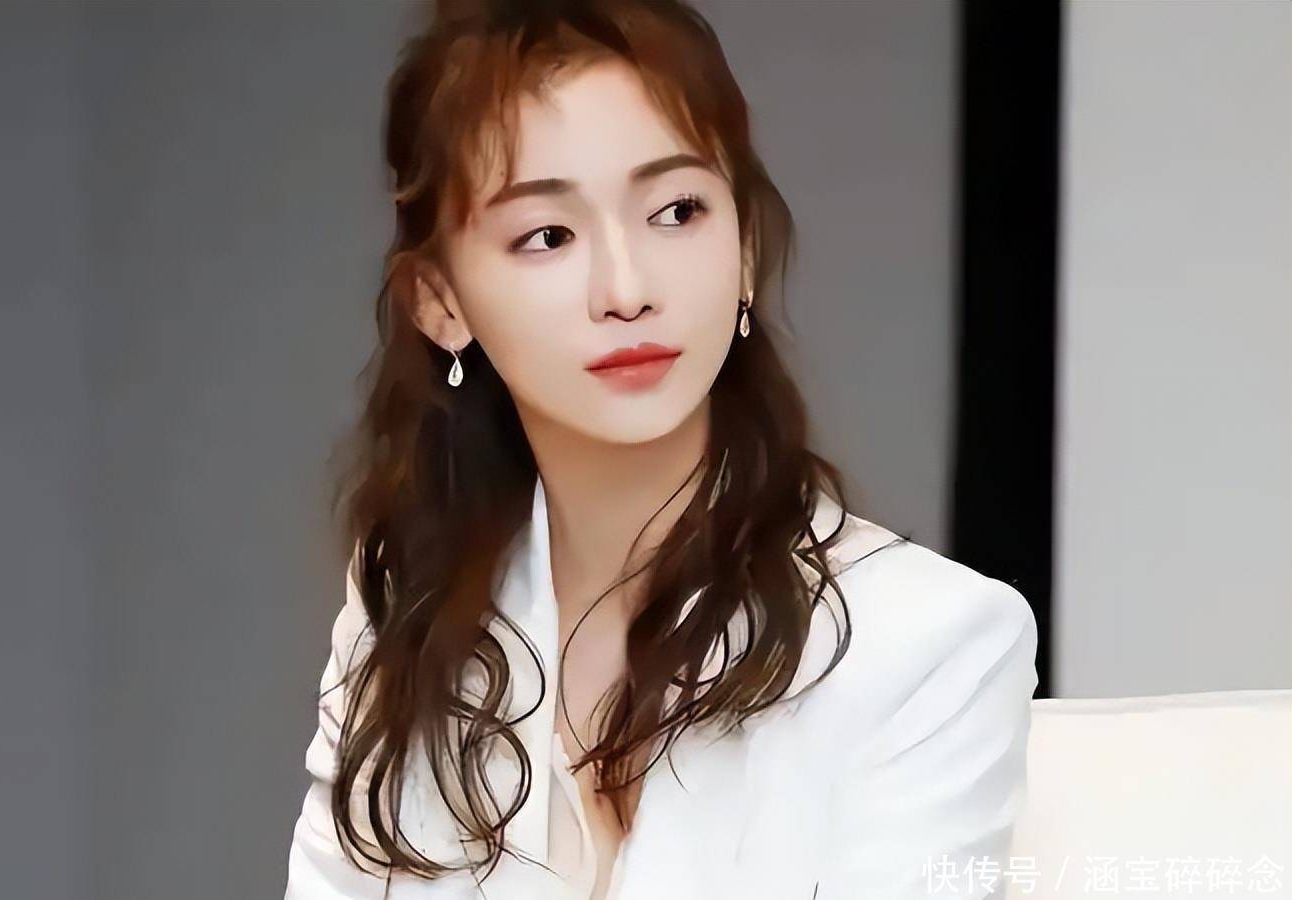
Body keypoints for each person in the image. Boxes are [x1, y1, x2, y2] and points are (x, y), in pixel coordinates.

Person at [284, 1, 1039, 898]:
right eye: (548, 236)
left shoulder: (926, 643)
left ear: (744, 248)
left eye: (677, 210)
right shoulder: (405, 609)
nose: (627, 288)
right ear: (440, 303)